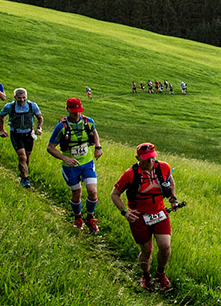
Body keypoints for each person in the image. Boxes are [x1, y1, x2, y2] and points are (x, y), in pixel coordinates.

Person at [111, 142, 179, 291]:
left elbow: (170, 180)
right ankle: (146, 276)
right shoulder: (130, 174)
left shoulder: (163, 167)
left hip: (159, 212)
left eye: (152, 157)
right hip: (139, 217)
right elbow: (114, 195)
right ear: (138, 158)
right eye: (147, 158)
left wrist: (173, 198)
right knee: (147, 250)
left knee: (165, 246)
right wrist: (125, 212)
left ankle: (160, 274)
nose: (150, 161)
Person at [47, 97, 104, 230]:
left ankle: (90, 218)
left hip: (87, 162)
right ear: (67, 109)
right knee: (76, 192)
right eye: (73, 112)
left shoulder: (88, 122)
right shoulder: (61, 127)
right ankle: (77, 218)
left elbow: (94, 132)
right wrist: (65, 159)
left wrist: (98, 147)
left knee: (92, 191)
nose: (77, 114)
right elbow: (50, 147)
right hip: (70, 166)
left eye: (79, 111)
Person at [0, 88, 43, 187]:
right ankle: (25, 179)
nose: (22, 100)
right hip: (16, 134)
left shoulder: (32, 106)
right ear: (15, 97)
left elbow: (40, 118)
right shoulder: (10, 106)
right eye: (19, 98)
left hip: (29, 134)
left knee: (27, 156)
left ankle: (23, 174)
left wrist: (39, 128)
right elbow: (1, 116)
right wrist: (2, 130)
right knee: (22, 156)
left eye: (24, 98)